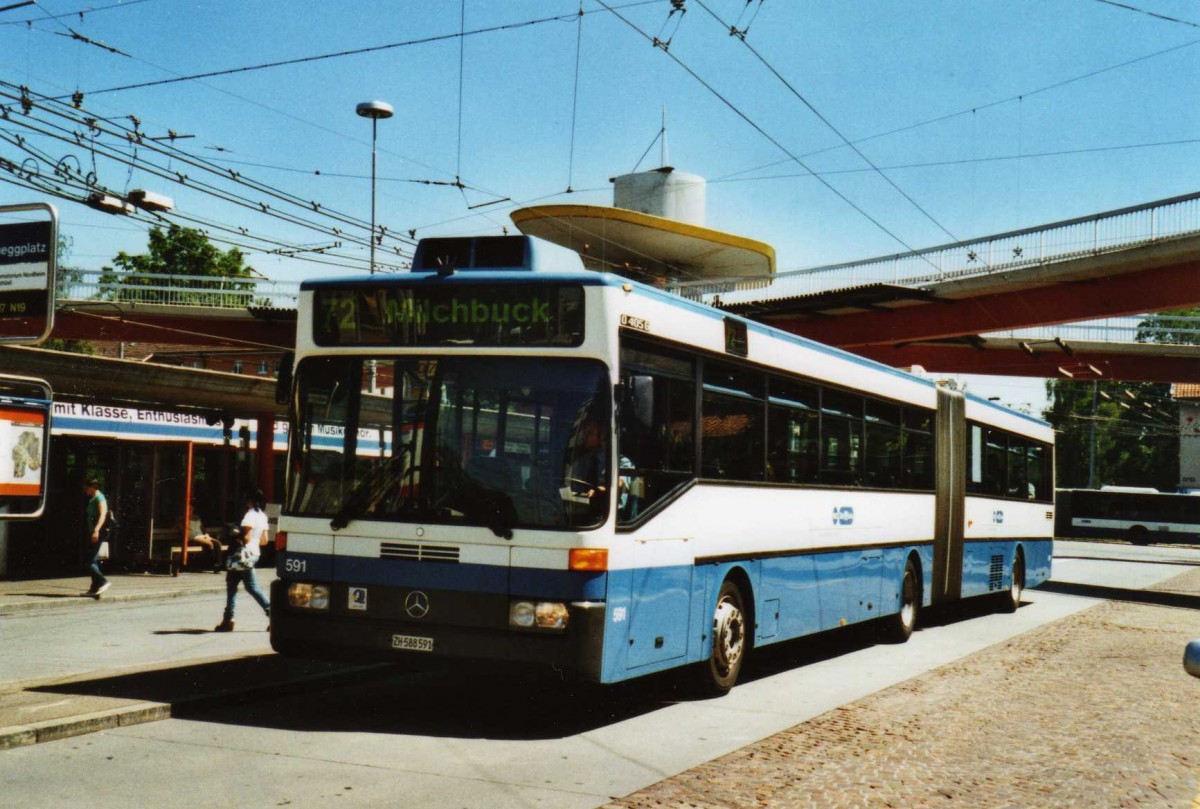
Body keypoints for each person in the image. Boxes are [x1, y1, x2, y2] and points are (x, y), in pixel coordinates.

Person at [214, 489, 271, 632]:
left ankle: (272, 615)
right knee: (234, 583)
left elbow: (246, 538)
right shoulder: (262, 516)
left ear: (250, 500)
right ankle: (227, 619)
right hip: (254, 553)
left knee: (248, 586)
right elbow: (264, 541)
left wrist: (237, 534)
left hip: (243, 554)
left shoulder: (249, 516)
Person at [82, 477, 111, 598]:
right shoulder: (93, 498)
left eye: (87, 488)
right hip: (94, 532)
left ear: (94, 487)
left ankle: (102, 581)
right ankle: (94, 588)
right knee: (92, 559)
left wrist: (96, 530)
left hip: (98, 532)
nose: (85, 490)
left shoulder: (100, 498)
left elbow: (103, 515)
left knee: (89, 560)